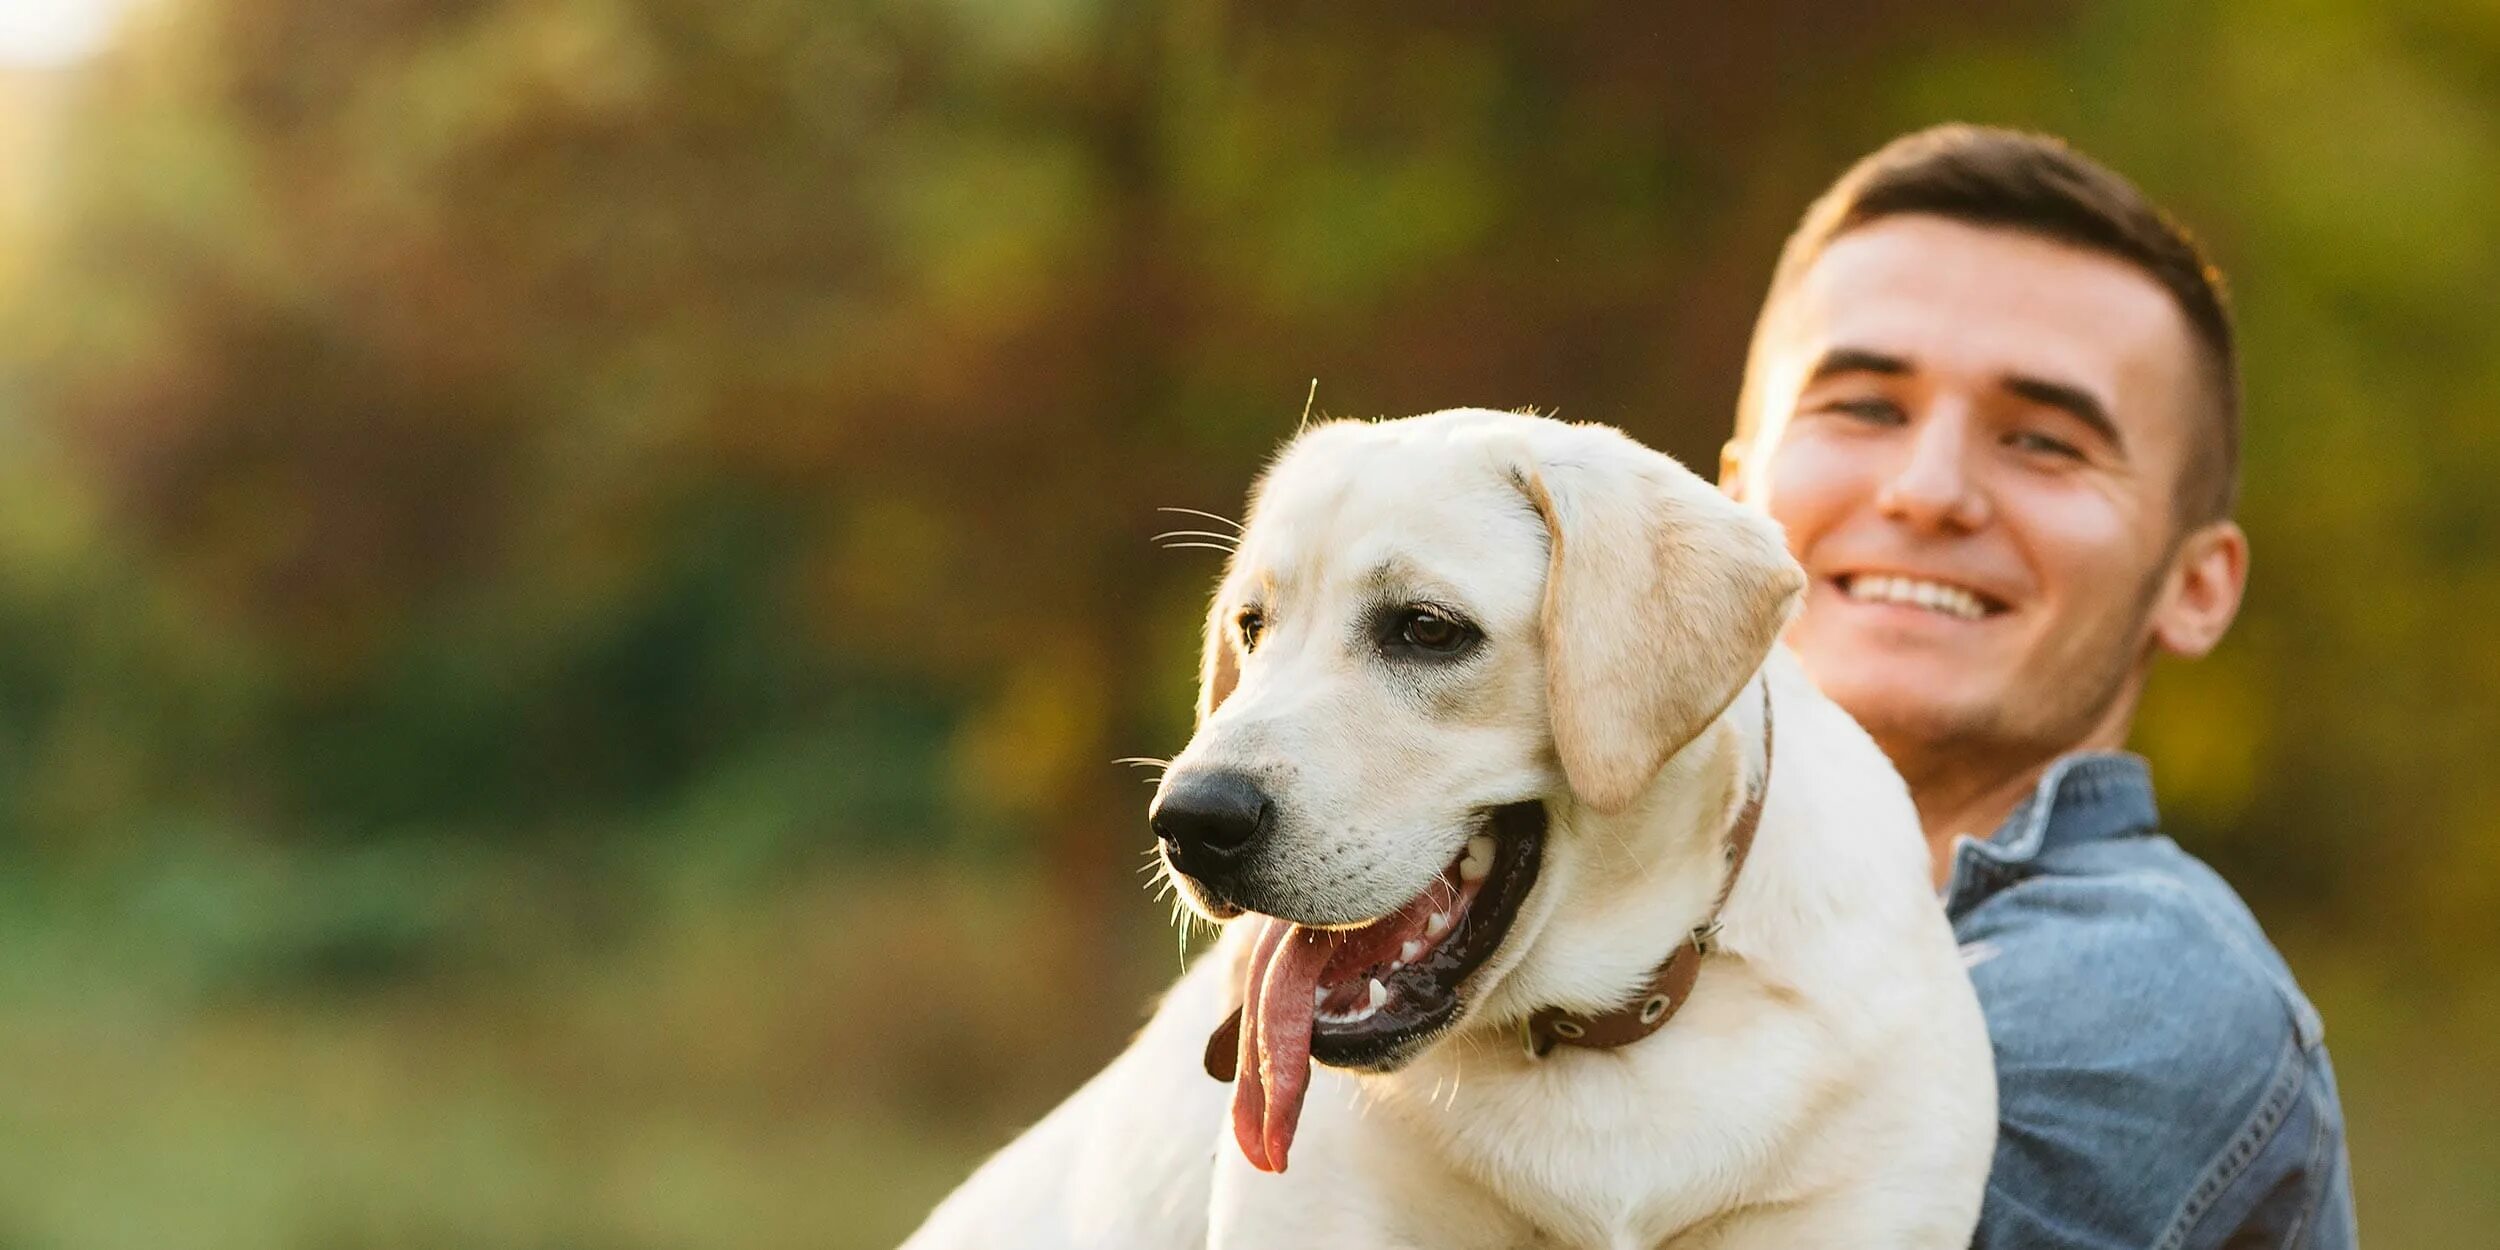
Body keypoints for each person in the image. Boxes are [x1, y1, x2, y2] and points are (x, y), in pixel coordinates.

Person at [1716, 125, 2358, 1248]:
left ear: (2195, 585)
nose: (1929, 490)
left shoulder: (2148, 992)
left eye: (2046, 441)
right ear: (1730, 499)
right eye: (1864, 406)